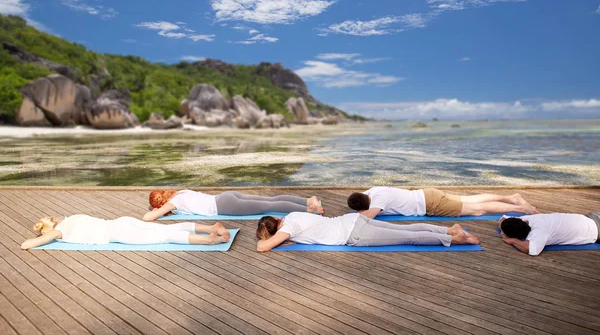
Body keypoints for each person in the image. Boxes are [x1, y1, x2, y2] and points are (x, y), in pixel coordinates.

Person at [255, 212, 479, 252]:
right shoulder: (292, 215)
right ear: (276, 218)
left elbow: (263, 247)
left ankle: (455, 239)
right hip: (353, 219)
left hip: (354, 234)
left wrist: (268, 238)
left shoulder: (288, 229)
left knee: (408, 237)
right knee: (405, 229)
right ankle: (449, 228)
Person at [20, 214, 230, 250]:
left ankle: (208, 241)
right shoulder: (71, 218)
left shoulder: (60, 232)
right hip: (121, 222)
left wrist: (39, 236)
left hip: (120, 234)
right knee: (166, 229)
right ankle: (210, 228)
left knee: (164, 236)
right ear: (54, 220)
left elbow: (27, 244)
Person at [347, 187, 539, 219]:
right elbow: (360, 197)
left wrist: (360, 213)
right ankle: (511, 198)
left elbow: (368, 217)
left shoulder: (377, 202)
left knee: (477, 210)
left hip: (431, 205)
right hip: (428, 193)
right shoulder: (374, 191)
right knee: (470, 199)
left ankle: (520, 208)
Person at [143, 189, 324, 221]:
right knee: (270, 200)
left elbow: (148, 217)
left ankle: (310, 209)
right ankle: (308, 200)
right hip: (225, 196)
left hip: (225, 206)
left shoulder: (173, 203)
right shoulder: (180, 193)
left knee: (269, 207)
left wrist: (157, 210)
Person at [498, 212, 600, 256]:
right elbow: (503, 219)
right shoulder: (528, 219)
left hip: (597, 230)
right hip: (592, 216)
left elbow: (532, 250)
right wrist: (503, 231)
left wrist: (513, 241)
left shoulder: (539, 232)